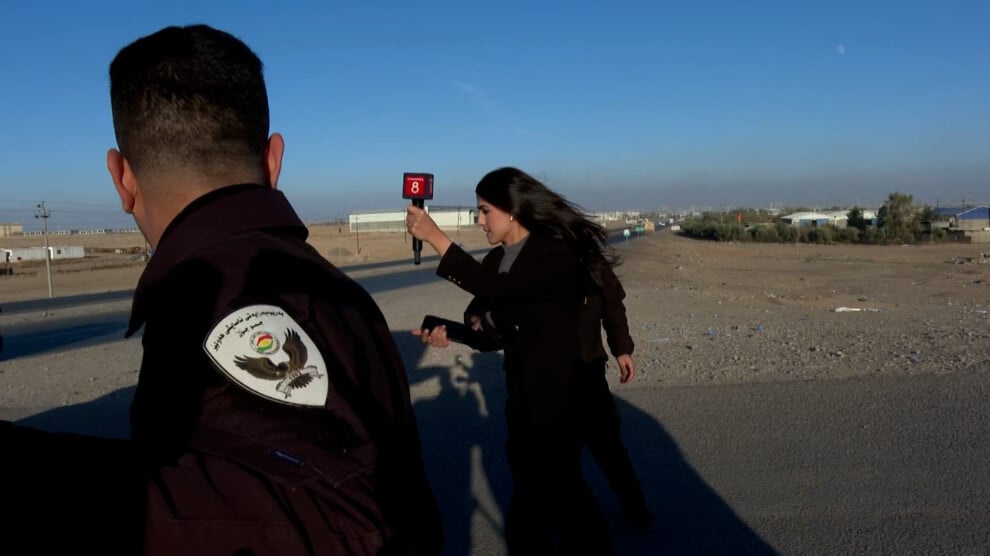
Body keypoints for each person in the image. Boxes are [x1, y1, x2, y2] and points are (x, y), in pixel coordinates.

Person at [1, 24, 442, 555]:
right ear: (273, 159)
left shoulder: (222, 299)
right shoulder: (334, 289)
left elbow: (338, 524)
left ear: (122, 178)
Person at [406, 166, 627, 555]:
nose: (478, 220)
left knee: (560, 503)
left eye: (484, 210)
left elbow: (501, 292)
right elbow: (492, 334)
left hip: (560, 403)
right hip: (523, 403)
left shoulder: (555, 255)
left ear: (512, 210)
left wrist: (437, 238)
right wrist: (452, 332)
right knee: (546, 502)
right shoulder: (497, 262)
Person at [580, 271, 655, 532]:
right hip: (543, 379)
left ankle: (635, 508)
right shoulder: (527, 250)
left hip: (587, 370)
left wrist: (622, 348)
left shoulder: (587, 257)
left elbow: (612, 306)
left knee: (608, 447)